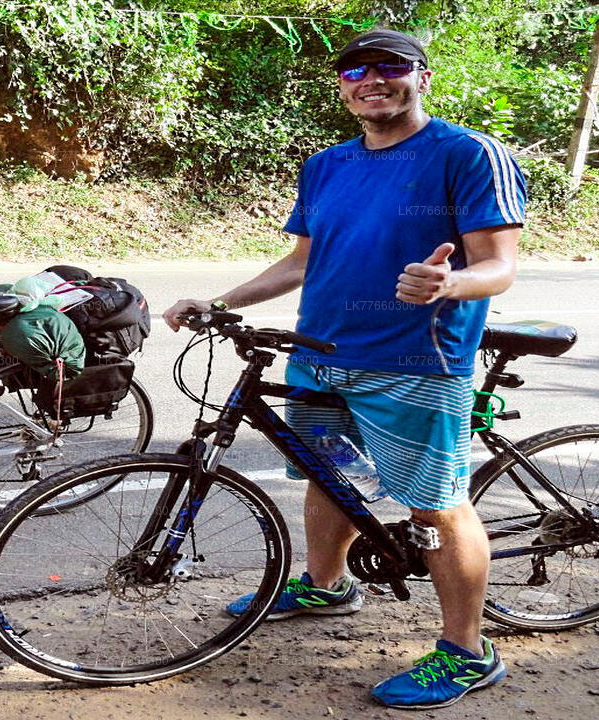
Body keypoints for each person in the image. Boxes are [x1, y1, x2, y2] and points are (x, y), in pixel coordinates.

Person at [163, 29, 524, 710]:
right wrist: (219, 301)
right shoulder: (327, 164)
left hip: (416, 361)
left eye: (391, 67)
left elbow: (499, 265)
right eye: (355, 69)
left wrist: (449, 285)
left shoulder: (467, 153)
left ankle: (467, 652)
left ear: (423, 77)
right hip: (320, 355)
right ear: (341, 85)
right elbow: (301, 263)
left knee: (437, 504)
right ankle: (326, 587)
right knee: (326, 475)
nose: (372, 79)